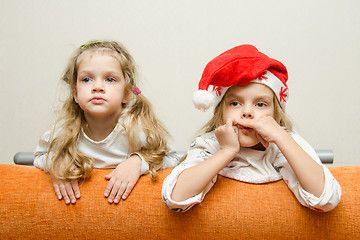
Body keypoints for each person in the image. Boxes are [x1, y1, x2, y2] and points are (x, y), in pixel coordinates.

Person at [162, 44, 341, 212]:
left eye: (260, 104)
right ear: (220, 112)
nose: (247, 112)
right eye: (235, 103)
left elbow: (326, 199)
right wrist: (227, 151)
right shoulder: (210, 145)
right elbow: (175, 199)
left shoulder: (284, 143)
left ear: (276, 115)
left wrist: (281, 137)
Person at [34, 40, 179, 205]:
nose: (97, 87)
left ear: (127, 93)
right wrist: (56, 164)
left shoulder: (135, 129)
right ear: (75, 93)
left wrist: (138, 162)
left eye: (110, 79)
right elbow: (40, 156)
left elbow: (172, 158)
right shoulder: (64, 131)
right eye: (86, 79)